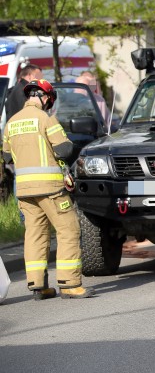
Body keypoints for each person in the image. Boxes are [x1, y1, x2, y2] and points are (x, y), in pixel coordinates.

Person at [2, 79, 94, 300]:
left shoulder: (11, 123)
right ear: (45, 98)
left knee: (35, 235)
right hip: (50, 189)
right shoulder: (46, 119)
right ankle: (70, 284)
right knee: (68, 230)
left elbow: (6, 156)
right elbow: (64, 149)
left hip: (25, 192)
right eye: (49, 100)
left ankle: (38, 285)